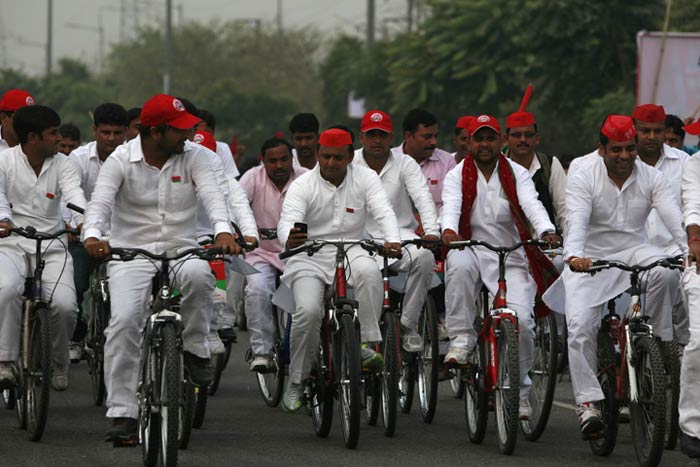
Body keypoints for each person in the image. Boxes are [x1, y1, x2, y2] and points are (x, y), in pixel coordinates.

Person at [82, 94, 237, 443]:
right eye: (179, 130)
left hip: (182, 247)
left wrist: (224, 230)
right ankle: (122, 412)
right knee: (123, 321)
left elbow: (213, 195)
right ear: (155, 132)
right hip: (130, 252)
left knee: (200, 277)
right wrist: (93, 236)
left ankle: (196, 348)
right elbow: (100, 203)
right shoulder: (121, 160)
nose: (186, 136)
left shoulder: (195, 156)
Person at [548, 115, 685, 439]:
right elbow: (576, 221)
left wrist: (689, 250)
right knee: (580, 326)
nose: (624, 157)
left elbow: (673, 219)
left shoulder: (651, 176)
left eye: (629, 149)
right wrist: (573, 257)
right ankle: (589, 404)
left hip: (635, 250)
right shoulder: (584, 172)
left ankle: (658, 343)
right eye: (616, 150)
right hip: (590, 256)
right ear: (602, 149)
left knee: (666, 272)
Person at [441, 115, 560, 421]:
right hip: (469, 246)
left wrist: (545, 229)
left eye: (490, 139)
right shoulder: (457, 174)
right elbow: (451, 205)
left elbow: (532, 203)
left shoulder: (516, 172)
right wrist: (449, 231)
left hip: (512, 253)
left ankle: (519, 391)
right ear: (470, 142)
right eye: (478, 139)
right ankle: (461, 341)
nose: (484, 145)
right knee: (458, 266)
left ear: (500, 142)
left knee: (522, 322)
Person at [277, 128, 401, 413]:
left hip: (353, 248)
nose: (331, 163)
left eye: (337, 157)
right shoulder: (303, 184)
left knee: (371, 274)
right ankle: (296, 381)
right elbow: (289, 219)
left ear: (350, 157)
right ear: (318, 155)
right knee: (307, 311)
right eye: (325, 156)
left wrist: (392, 239)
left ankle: (366, 345)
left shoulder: (365, 177)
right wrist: (290, 237)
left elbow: (383, 211)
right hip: (309, 254)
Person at [0, 105, 87, 392]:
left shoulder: (64, 164)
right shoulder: (4, 161)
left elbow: (75, 196)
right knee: (7, 290)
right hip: (10, 243)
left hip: (53, 246)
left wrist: (86, 223)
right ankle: (6, 361)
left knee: (64, 306)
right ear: (33, 138)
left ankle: (59, 363)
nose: (59, 139)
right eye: (53, 133)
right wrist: (3, 220)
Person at [353, 109, 439, 352]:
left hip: (401, 236)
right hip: (361, 239)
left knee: (425, 258)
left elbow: (423, 198)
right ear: (362, 137)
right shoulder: (350, 163)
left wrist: (432, 231)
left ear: (392, 138)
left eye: (382, 135)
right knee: (365, 273)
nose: (377, 140)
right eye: (372, 135)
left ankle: (408, 325)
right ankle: (366, 338)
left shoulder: (405, 163)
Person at [65, 103, 128, 362]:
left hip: (121, 238)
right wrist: (81, 225)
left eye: (116, 133)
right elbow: (67, 196)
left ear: (125, 132)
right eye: (105, 132)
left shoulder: (132, 158)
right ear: (94, 130)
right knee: (74, 287)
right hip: (83, 236)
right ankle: (77, 333)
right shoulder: (78, 158)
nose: (111, 139)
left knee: (126, 295)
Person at [239, 137, 306, 371]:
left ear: (292, 159)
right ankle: (261, 352)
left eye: (284, 159)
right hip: (261, 253)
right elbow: (235, 208)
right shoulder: (251, 178)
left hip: (299, 253)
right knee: (257, 289)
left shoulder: (306, 177)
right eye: (272, 161)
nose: (279, 166)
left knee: (307, 298)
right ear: (263, 162)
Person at [633, 104, 689, 346]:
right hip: (633, 250)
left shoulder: (684, 162)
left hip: (676, 248)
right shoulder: (623, 161)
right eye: (645, 131)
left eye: (657, 131)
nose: (652, 137)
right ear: (634, 130)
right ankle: (657, 345)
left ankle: (680, 352)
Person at [505, 104, 567, 236]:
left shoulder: (550, 165)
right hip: (509, 246)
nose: (522, 140)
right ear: (506, 139)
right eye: (516, 135)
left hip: (546, 244)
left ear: (537, 138)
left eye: (528, 135)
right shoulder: (498, 168)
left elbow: (564, 210)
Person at [394, 108, 456, 213]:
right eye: (427, 137)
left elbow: (452, 204)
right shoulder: (389, 160)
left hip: (437, 227)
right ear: (408, 136)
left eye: (435, 136)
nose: (433, 142)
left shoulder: (447, 162)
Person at [680, 147, 700, 458]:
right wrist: (695, 241)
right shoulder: (695, 164)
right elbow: (693, 206)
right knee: (699, 340)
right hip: (698, 262)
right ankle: (692, 427)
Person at [196, 109, 240, 178]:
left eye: (206, 132)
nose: (203, 136)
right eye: (198, 132)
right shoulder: (185, 148)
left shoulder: (223, 148)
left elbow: (230, 177)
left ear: (213, 132)